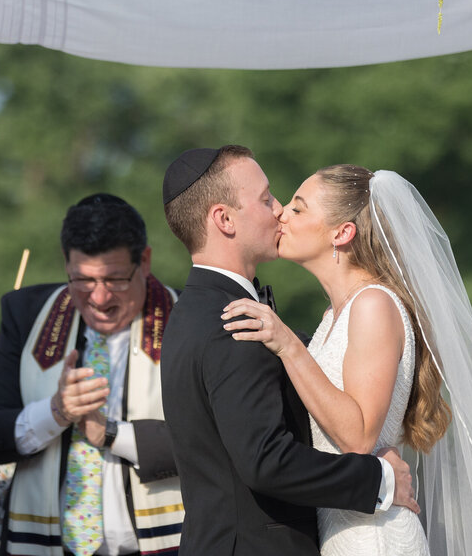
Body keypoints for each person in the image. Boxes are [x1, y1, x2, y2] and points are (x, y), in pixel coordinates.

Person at [221, 165, 472, 556]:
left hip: (375, 537)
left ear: (342, 233)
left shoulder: (373, 305)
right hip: (344, 529)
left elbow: (360, 435)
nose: (281, 213)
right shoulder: (334, 316)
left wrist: (286, 344)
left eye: (298, 208)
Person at [159, 146, 419, 556]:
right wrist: (380, 479)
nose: (278, 210)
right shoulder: (232, 321)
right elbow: (266, 460)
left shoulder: (200, 312)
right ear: (224, 219)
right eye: (266, 199)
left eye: (291, 205)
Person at [0, 193, 183, 556]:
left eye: (115, 279)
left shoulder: (186, 319)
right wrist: (55, 413)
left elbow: (215, 441)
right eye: (82, 280)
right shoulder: (26, 313)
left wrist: (112, 434)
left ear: (144, 261)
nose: (99, 298)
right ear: (65, 264)